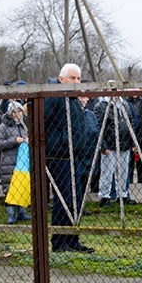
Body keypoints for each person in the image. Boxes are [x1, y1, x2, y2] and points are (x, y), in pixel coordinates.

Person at [45, 63, 97, 253]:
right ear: (61, 79)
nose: (76, 81)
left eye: (78, 78)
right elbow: (42, 121)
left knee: (75, 199)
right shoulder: (53, 96)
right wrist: (55, 143)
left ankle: (72, 239)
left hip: (74, 155)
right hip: (58, 156)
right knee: (64, 199)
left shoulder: (73, 99)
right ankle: (59, 241)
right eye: (72, 78)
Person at [95, 95, 135, 206]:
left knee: (123, 172)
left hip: (125, 143)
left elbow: (130, 122)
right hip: (109, 144)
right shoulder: (101, 106)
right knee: (107, 172)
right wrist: (102, 145)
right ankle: (104, 197)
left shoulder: (125, 104)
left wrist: (132, 142)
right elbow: (98, 126)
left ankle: (122, 195)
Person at [0, 100, 30, 224]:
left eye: (20, 111)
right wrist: (15, 141)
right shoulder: (3, 127)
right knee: (9, 188)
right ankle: (11, 214)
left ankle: (21, 212)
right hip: (8, 162)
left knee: (21, 186)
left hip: (22, 163)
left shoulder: (23, 126)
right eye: (15, 111)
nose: (18, 114)